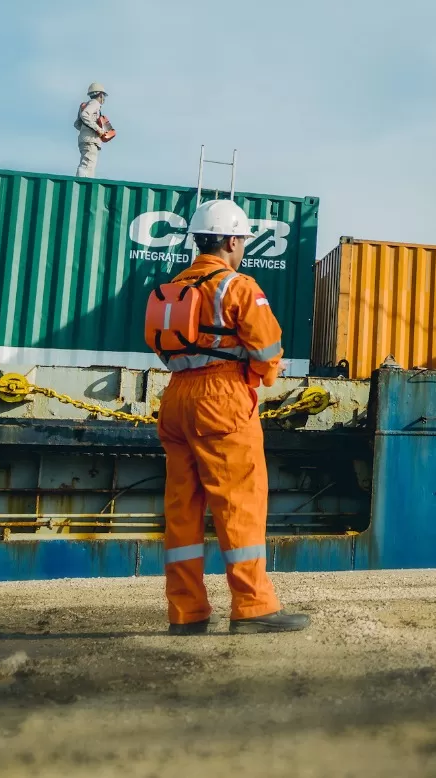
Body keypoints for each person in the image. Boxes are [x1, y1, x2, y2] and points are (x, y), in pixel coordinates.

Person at [144, 198, 309, 635]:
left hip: (177, 397)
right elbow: (267, 349)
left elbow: (162, 346)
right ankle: (253, 607)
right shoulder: (237, 286)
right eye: (242, 241)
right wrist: (260, 375)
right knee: (239, 502)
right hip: (222, 398)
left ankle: (187, 613)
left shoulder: (173, 287)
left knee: (183, 508)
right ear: (233, 239)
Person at [74, 82, 115, 178]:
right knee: (87, 165)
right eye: (103, 96)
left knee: (88, 166)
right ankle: (80, 185)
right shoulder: (95, 103)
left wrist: (86, 130)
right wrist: (98, 129)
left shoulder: (85, 105)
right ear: (101, 95)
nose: (104, 99)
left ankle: (84, 185)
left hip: (84, 139)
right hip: (91, 140)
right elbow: (85, 115)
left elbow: (77, 124)